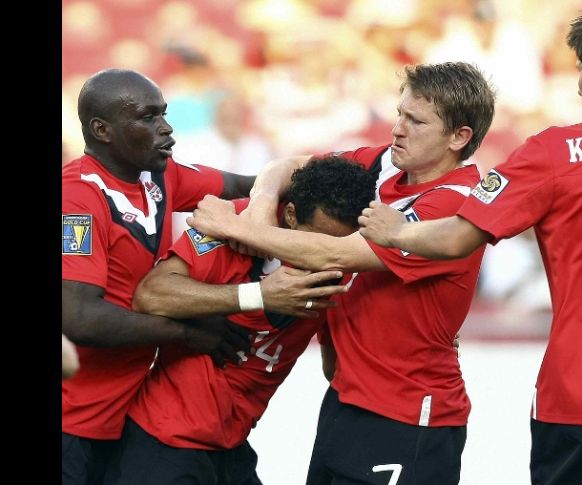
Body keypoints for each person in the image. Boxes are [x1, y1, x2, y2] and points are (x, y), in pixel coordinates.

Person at [358, 2, 582, 484]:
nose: (581, 85)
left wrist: (396, 230)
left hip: (581, 400)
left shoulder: (554, 150)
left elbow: (458, 236)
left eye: (581, 72)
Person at [187, 61, 496, 484]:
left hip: (408, 416)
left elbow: (336, 254)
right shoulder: (384, 165)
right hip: (347, 400)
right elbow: (287, 166)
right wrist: (260, 208)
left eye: (416, 121)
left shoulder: (454, 204)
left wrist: (232, 226)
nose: (398, 129)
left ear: (459, 137)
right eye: (400, 114)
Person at [61, 68, 347, 485]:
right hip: (71, 417)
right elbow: (78, 318)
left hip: (119, 411)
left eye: (164, 113)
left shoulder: (160, 176)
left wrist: (262, 207)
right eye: (147, 118)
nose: (166, 128)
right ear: (102, 130)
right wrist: (187, 332)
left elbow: (261, 180)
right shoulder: (77, 200)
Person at [102, 156, 375, 484]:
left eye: (334, 247)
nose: (322, 256)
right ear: (289, 215)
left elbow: (334, 367)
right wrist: (258, 295)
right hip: (167, 441)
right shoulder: (230, 227)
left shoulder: (344, 261)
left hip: (231, 445)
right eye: (315, 240)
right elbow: (150, 294)